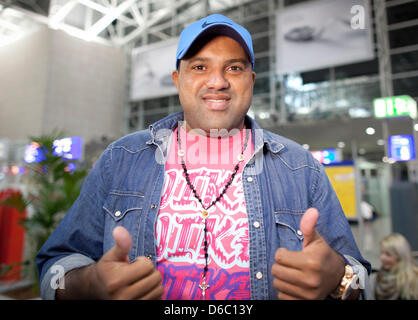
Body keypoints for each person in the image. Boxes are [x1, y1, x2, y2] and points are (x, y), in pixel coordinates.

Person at [36, 13, 371, 300]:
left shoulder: (300, 168)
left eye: (234, 68)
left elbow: (362, 279)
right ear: (178, 79)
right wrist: (87, 285)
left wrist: (341, 279)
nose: (217, 81)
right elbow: (54, 265)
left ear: (251, 81)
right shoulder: (122, 159)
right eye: (199, 66)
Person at [370, 233, 418, 300]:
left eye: (388, 254)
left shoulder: (413, 280)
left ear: (400, 256)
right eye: (382, 253)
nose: (382, 258)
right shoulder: (378, 277)